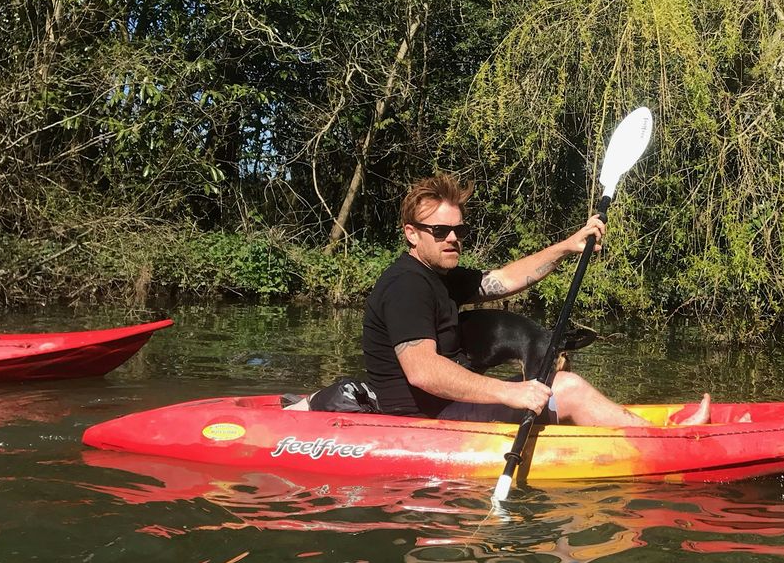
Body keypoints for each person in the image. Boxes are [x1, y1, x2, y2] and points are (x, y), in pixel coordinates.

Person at [300, 174, 710, 426]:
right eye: (440, 231)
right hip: (423, 422)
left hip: (445, 408)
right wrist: (508, 393)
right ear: (412, 233)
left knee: (554, 386)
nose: (453, 238)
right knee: (565, 388)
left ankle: (644, 430)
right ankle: (675, 442)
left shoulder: (439, 276)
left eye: (457, 230)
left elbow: (502, 281)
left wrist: (567, 246)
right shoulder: (406, 286)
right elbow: (422, 371)